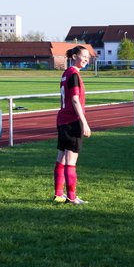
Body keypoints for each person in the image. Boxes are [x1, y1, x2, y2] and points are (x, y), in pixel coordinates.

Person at [54, 45, 92, 204]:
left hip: (62, 120)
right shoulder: (74, 74)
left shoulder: (65, 73)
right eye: (84, 56)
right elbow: (75, 100)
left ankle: (58, 195)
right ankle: (71, 197)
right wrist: (84, 122)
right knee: (70, 160)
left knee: (61, 157)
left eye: (88, 58)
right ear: (75, 56)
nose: (86, 60)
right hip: (72, 121)